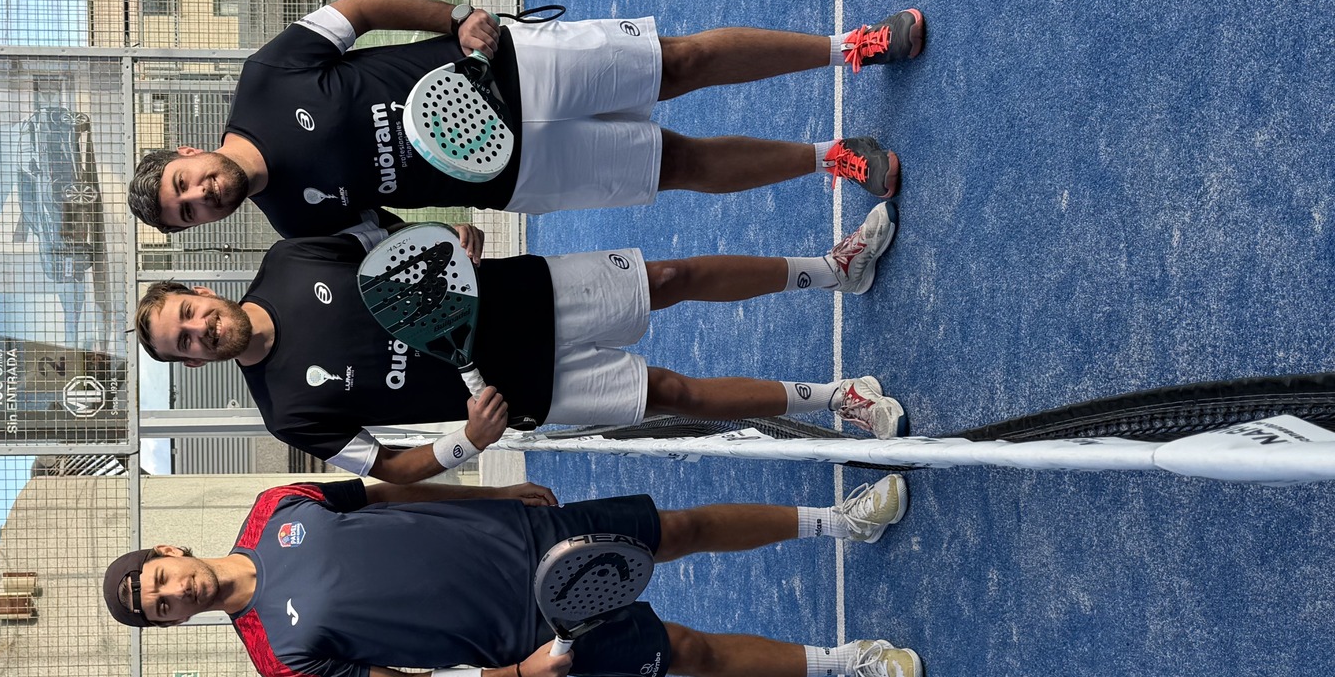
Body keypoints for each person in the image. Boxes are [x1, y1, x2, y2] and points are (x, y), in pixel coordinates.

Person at [132, 210, 907, 478]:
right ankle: (837, 399)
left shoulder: (290, 259)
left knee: (670, 276)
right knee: (676, 394)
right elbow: (388, 467)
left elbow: (385, 238)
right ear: (191, 364)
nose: (200, 330)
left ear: (200, 291)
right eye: (185, 344)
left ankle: (830, 270)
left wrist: (446, 234)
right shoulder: (285, 412)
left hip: (515, 293)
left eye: (190, 315)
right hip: (516, 389)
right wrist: (466, 443)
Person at [124, 0, 925, 239]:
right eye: (188, 211)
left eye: (184, 184)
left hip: (511, 67)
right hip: (516, 176)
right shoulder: (293, 221)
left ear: (187, 153)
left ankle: (850, 46)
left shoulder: (266, 80)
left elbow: (360, 10)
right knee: (677, 164)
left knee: (679, 64)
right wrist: (446, 243)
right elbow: (383, 237)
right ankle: (834, 157)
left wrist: (455, 17)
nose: (201, 196)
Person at [99, 476, 922, 677]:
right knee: (690, 652)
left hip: (523, 538)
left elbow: (388, 496)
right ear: (172, 624)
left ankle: (840, 520)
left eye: (159, 579)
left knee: (684, 526)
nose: (173, 592)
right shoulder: (277, 661)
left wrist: (494, 493)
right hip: (528, 631)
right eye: (160, 607)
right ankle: (850, 662)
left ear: (170, 551)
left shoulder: (278, 507)